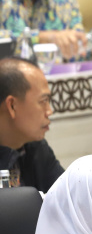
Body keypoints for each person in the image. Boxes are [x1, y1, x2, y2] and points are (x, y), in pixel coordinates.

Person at [0, 57, 63, 191]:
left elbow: (65, 197)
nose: (49, 111)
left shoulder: (36, 147)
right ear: (12, 106)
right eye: (43, 101)